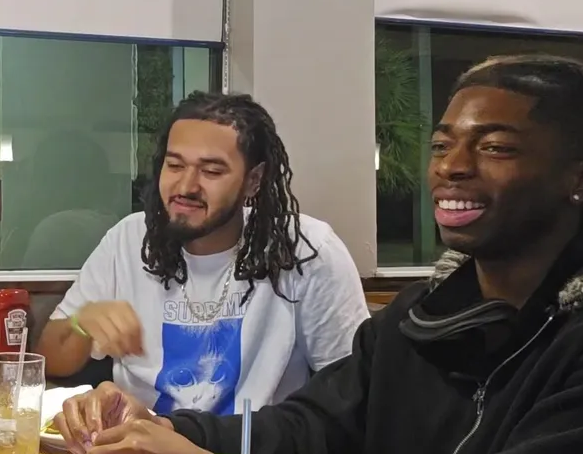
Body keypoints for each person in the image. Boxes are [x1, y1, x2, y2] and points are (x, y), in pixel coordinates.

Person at [55, 55, 583, 454]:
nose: (452, 166)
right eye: (442, 145)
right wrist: (171, 432)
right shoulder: (426, 314)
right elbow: (315, 421)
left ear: (582, 181)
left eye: (495, 147)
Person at [35, 92, 368, 416]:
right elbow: (50, 361)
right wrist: (82, 324)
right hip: (136, 444)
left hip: (249, 450)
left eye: (211, 171)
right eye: (174, 165)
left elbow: (351, 393)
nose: (186, 186)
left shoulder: (304, 249)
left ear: (253, 180)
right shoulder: (129, 239)